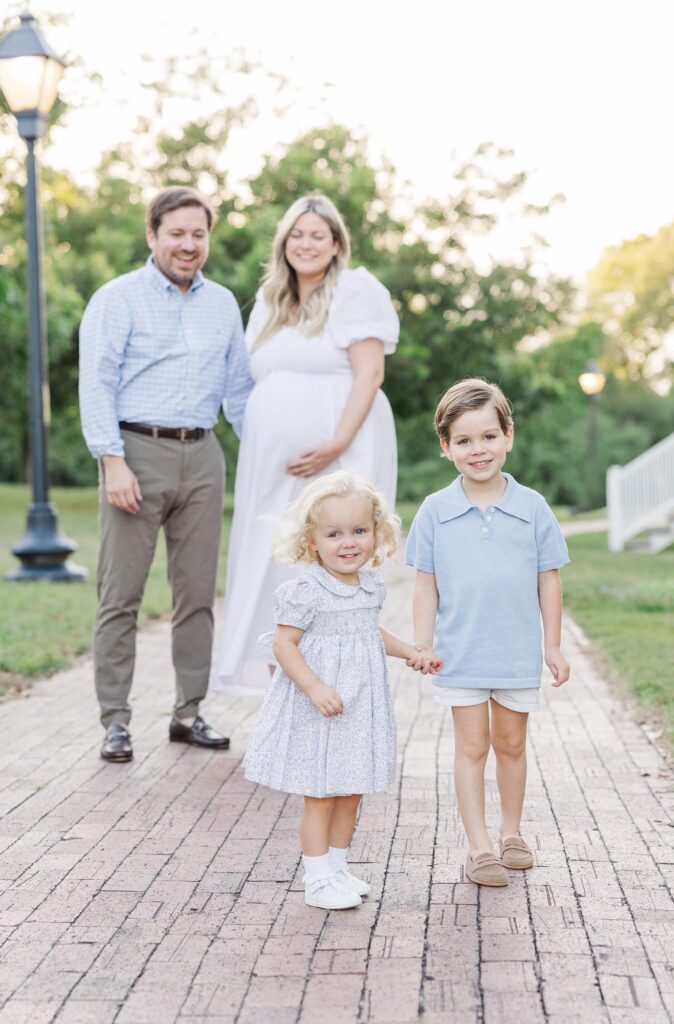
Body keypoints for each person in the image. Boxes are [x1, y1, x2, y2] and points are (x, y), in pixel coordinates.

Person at [79, 186, 254, 764]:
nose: (188, 244)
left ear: (208, 238)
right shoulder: (118, 298)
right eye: (176, 233)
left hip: (202, 457)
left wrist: (273, 448)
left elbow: (239, 394)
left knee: (198, 595)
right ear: (152, 235)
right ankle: (115, 721)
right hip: (135, 451)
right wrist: (111, 460)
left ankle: (188, 712)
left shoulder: (224, 304)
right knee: (120, 596)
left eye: (198, 234)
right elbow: (97, 383)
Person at [214, 193, 400, 695]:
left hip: (343, 452)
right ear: (283, 243)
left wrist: (335, 441)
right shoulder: (271, 302)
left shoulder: (355, 291)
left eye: (318, 234)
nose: (306, 243)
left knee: (332, 563)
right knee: (278, 563)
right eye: (297, 234)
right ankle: (284, 690)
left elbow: (371, 373)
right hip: (275, 467)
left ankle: (343, 689)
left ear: (337, 243)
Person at [243, 471, 441, 909]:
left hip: (358, 704)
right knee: (321, 792)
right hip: (321, 704)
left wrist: (411, 651)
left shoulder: (369, 585)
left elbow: (369, 633)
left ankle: (336, 867)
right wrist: (314, 687)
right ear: (312, 540)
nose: (348, 542)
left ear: (376, 533)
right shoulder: (304, 590)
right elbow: (284, 645)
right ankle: (316, 879)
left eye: (359, 531)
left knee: (350, 788)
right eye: (334, 534)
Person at [405, 378, 570, 887]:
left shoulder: (533, 507)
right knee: (471, 747)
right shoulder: (435, 510)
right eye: (464, 440)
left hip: (515, 651)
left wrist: (553, 646)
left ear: (508, 436)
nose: (478, 450)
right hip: (461, 653)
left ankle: (511, 833)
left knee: (511, 744)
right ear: (445, 447)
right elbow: (425, 585)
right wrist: (422, 643)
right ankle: (478, 848)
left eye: (488, 436)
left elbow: (549, 580)